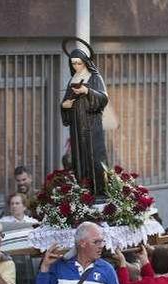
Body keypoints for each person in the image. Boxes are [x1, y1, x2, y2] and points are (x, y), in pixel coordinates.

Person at [60, 49, 109, 197]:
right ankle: (83, 190)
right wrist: (64, 106)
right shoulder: (73, 78)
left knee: (94, 156)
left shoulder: (95, 77)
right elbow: (66, 100)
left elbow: (104, 98)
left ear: (86, 62)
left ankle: (100, 191)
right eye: (73, 63)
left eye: (79, 63)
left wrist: (87, 92)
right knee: (79, 157)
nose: (76, 66)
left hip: (91, 124)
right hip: (76, 125)